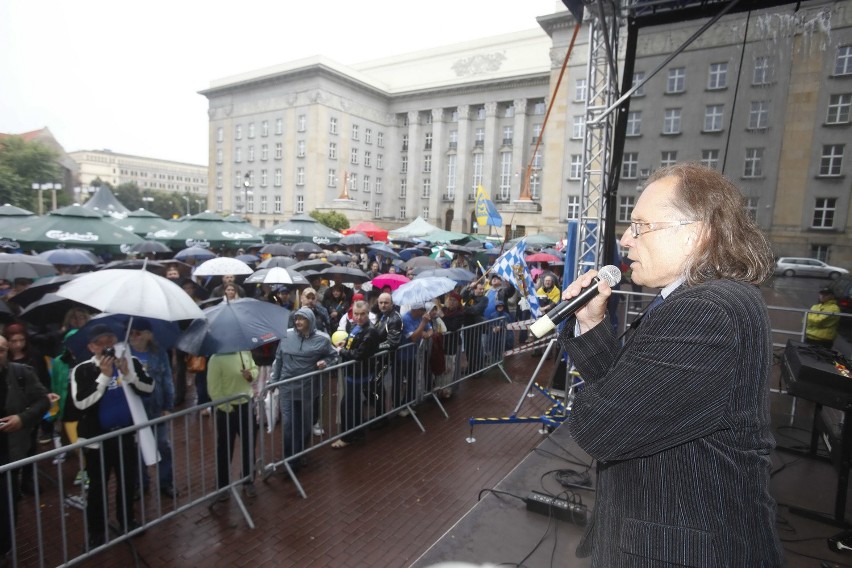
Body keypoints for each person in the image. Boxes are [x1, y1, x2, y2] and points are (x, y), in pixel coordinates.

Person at [556, 163, 782, 566]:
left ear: (696, 233)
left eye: (641, 226)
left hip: (679, 552)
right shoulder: (695, 299)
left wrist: (592, 402)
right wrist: (590, 322)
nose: (626, 240)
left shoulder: (706, 311)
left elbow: (603, 429)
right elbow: (634, 396)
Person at [71, 324, 154, 548]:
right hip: (98, 441)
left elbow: (148, 388)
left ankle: (127, 520)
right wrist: (104, 377)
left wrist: (127, 374)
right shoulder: (83, 370)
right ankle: (96, 530)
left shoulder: (130, 361)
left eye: (111, 341)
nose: (108, 347)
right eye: (101, 343)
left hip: (125, 434)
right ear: (91, 347)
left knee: (127, 481)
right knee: (98, 486)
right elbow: (81, 403)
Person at [0, 335, 50, 561]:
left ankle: (4, 547)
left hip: (9, 452)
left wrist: (22, 418)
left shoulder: (21, 373)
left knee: (6, 501)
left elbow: (43, 401)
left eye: (1, 350)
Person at [270, 308, 338, 467]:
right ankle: (289, 460)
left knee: (305, 424)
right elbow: (279, 359)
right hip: (287, 387)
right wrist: (273, 380)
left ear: (311, 321)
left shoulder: (322, 339)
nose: (298, 322)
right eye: (296, 319)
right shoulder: (286, 335)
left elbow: (333, 355)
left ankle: (300, 452)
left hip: (308, 389)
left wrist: (325, 363)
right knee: (288, 425)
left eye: (302, 319)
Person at [127, 320, 178, 499]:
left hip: (156, 407)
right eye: (132, 333)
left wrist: (168, 406)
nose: (134, 337)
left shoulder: (159, 352)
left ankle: (166, 482)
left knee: (163, 445)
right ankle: (141, 483)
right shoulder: (125, 355)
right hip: (136, 409)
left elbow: (167, 379)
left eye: (138, 333)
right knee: (138, 448)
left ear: (148, 335)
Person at [206, 350, 259, 499]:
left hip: (247, 406)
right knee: (225, 448)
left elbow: (255, 369)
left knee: (249, 445)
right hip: (227, 410)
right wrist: (226, 408)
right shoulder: (215, 359)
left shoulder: (245, 352)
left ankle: (248, 479)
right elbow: (214, 389)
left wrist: (251, 375)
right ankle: (222, 485)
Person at [332, 301, 381, 448]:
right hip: (353, 373)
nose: (359, 317)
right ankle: (358, 432)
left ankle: (347, 437)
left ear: (367, 314)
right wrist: (345, 343)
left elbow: (359, 354)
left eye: (362, 314)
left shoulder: (370, 331)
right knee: (353, 405)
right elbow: (353, 342)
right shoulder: (355, 326)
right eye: (356, 314)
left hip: (359, 374)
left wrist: (342, 351)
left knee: (347, 405)